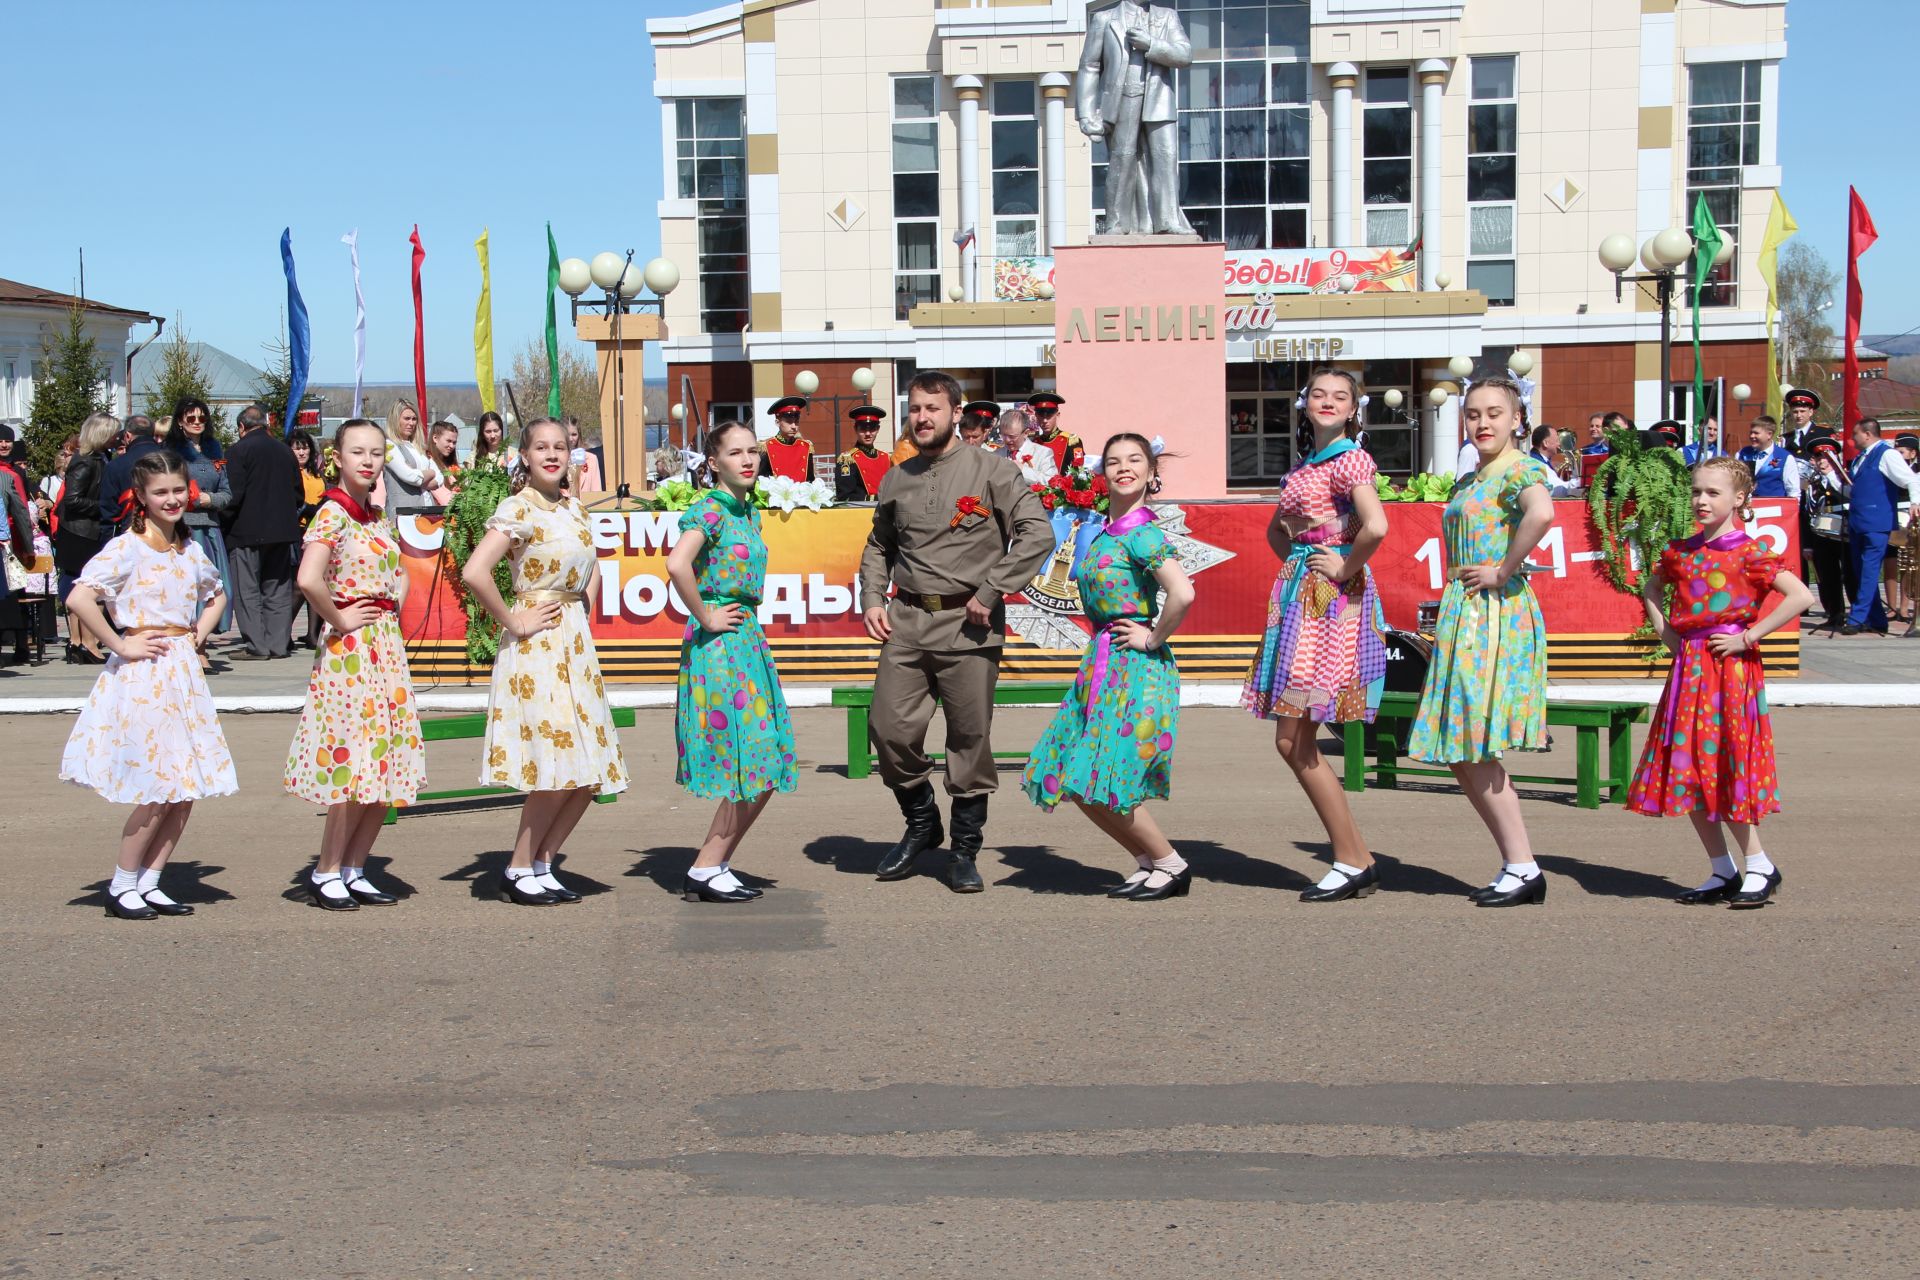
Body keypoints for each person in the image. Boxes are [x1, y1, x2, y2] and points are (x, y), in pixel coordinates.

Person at [860, 371, 1053, 893]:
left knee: (969, 740)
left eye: (933, 409)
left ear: (956, 412)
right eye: (915, 408)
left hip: (970, 628)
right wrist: (873, 595)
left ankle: (964, 851)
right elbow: (879, 545)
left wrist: (992, 589)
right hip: (907, 624)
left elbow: (1037, 533)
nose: (922, 418)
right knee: (888, 730)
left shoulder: (994, 471)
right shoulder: (896, 477)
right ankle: (922, 823)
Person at [60, 450, 237, 920]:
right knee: (156, 787)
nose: (172, 499)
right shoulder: (127, 547)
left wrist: (195, 634)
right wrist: (120, 643)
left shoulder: (190, 548)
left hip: (182, 674)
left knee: (184, 789)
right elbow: (79, 596)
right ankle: (122, 884)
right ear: (140, 496)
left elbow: (217, 595)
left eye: (179, 489)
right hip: (144, 677)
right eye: (161, 492)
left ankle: (152, 881)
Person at [1628, 457, 1811, 910]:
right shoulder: (1679, 551)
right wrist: (1669, 635)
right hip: (1690, 669)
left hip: (1730, 672)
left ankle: (1759, 864)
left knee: (1727, 766)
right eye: (1697, 491)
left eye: (1713, 492)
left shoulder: (1749, 552)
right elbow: (1651, 590)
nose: (1701, 500)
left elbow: (1801, 596)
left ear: (1740, 499)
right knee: (1687, 767)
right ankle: (1722, 868)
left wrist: (1748, 637)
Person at [460, 418, 628, 905]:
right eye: (541, 448)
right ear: (526, 457)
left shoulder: (575, 508)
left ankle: (542, 862)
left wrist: (583, 609)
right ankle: (517, 868)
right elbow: (475, 571)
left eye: (559, 447)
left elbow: (591, 566)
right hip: (537, 649)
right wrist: (515, 621)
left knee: (589, 767)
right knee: (554, 764)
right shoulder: (518, 508)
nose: (552, 455)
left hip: (574, 644)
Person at [1022, 433, 1195, 900]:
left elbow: (1183, 593)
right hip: (1101, 661)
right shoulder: (1103, 530)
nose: (1124, 468)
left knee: (1105, 772)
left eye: (1135, 460)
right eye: (1114, 461)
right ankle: (1147, 860)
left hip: (1132, 666)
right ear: (1102, 474)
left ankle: (1170, 864)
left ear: (1151, 473)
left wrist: (1152, 635)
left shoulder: (1143, 532)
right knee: (1072, 773)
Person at [1406, 378, 1556, 907]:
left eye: (1495, 413)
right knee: (1460, 747)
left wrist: (1503, 570)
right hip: (1463, 611)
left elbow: (1542, 513)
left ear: (1518, 419)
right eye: (1473, 414)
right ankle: (1519, 865)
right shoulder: (1472, 477)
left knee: (1473, 741)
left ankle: (1523, 867)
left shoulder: (1520, 469)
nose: (1483, 422)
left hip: (1493, 614)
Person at [1243, 367, 1391, 902]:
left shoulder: (1350, 458)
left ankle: (1352, 858)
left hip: (1325, 606)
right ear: (1306, 404)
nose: (1328, 402)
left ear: (1354, 408)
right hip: (1304, 598)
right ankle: (1357, 859)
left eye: (1340, 396)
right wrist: (1300, 561)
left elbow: (1376, 525)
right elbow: (1276, 531)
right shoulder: (1311, 463)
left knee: (1293, 739)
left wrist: (1344, 567)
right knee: (1293, 739)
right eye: (1319, 395)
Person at [283, 419, 426, 910]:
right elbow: (308, 578)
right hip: (350, 654)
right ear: (337, 459)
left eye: (376, 453)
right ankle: (326, 871)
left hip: (383, 648)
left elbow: (400, 574)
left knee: (383, 761)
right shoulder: (333, 514)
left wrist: (391, 604)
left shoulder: (374, 518)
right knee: (352, 762)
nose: (368, 461)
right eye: (358, 452)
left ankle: (355, 866)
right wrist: (341, 616)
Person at [665, 421, 798, 902]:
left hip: (747, 642)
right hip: (720, 648)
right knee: (751, 756)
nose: (748, 460)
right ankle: (707, 866)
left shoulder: (747, 513)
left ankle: (714, 863)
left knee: (764, 756)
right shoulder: (711, 510)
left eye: (753, 452)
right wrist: (704, 614)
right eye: (736, 453)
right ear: (714, 462)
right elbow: (677, 564)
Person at [224, 403, 303, 660]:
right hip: (282, 532)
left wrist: (224, 523)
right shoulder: (284, 451)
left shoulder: (238, 450)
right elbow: (297, 494)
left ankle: (257, 646)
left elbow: (234, 495)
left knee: (247, 590)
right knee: (278, 589)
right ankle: (278, 644)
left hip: (246, 531)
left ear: (241, 427)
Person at [1841, 416, 1920, 635]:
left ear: (1867, 434)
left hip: (1877, 522)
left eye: (1855, 434)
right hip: (1859, 523)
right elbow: (1856, 489)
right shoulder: (1861, 458)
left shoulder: (1887, 454)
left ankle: (1857, 618)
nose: (1852, 439)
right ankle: (1876, 619)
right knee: (1859, 571)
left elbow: (1911, 479)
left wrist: (1915, 503)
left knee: (1868, 570)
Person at [165, 398, 235, 640]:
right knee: (187, 586)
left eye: (202, 418)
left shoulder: (215, 449)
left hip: (210, 528)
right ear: (180, 422)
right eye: (191, 418)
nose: (197, 422)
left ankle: (202, 638)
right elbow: (166, 487)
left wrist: (210, 500)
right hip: (183, 527)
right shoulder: (171, 451)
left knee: (215, 586)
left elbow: (227, 492)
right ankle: (193, 642)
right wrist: (189, 499)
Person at [54, 412, 118, 663]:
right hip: (80, 533)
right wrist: (104, 506)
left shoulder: (100, 457)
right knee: (86, 587)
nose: (117, 437)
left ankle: (80, 644)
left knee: (84, 586)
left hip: (86, 530)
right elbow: (72, 499)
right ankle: (84, 644)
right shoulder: (85, 460)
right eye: (112, 432)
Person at [1803, 434, 1852, 628]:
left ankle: (1857, 612)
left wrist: (1833, 476)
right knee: (1827, 575)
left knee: (1849, 574)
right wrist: (1808, 544)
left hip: (1843, 532)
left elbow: (1850, 495)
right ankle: (1834, 613)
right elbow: (1807, 513)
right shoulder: (1813, 484)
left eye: (1826, 457)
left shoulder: (1843, 479)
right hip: (1821, 533)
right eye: (1818, 458)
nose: (1822, 462)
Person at [287, 429, 327, 648]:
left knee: (317, 582)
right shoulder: (289, 471)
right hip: (299, 530)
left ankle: (313, 634)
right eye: (297, 447)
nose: (301, 452)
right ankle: (284, 631)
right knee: (299, 584)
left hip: (318, 530)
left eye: (305, 447)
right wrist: (305, 509)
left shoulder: (316, 472)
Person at [98, 415, 161, 533]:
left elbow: (109, 513)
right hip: (166, 532)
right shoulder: (172, 459)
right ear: (153, 434)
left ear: (127, 436)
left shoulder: (115, 466)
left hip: (131, 533)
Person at [382, 397, 442, 516]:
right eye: (407, 418)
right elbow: (410, 476)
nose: (411, 423)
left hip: (428, 512)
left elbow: (439, 478)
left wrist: (421, 478)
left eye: (414, 419)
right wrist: (430, 473)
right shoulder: (389, 446)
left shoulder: (419, 446)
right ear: (395, 419)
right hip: (404, 515)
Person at [833, 405, 893, 502]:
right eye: (863, 428)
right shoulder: (848, 460)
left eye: (872, 428)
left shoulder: (886, 457)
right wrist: (875, 499)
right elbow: (844, 497)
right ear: (856, 429)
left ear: (878, 429)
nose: (868, 433)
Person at [1738, 415, 1801, 501]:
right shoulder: (1743, 454)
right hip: (1746, 507)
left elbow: (1793, 491)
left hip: (1773, 509)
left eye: (1756, 433)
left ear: (1769, 434)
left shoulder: (1785, 457)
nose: (1752, 436)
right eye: (1751, 432)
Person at [997, 409, 1059, 484]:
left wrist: (1023, 470)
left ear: (1026, 433)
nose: (1007, 440)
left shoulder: (1043, 453)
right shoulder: (996, 455)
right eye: (1003, 435)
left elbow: (1053, 482)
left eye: (1012, 436)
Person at [1027, 392, 1084, 473]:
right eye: (1041, 416)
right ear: (1036, 416)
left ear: (1057, 415)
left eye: (1049, 416)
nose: (1045, 421)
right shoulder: (1034, 443)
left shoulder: (1071, 441)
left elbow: (1079, 471)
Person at [761, 397, 815, 482]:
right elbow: (762, 478)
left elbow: (810, 479)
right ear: (777, 422)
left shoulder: (806, 447)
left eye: (796, 422)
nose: (793, 426)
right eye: (789, 422)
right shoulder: (767, 446)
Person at [1528, 424, 1578, 496]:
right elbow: (1561, 490)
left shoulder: (1537, 460)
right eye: (1557, 440)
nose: (1559, 444)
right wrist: (1581, 481)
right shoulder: (1538, 465)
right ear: (1545, 443)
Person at [424, 420, 462, 503]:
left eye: (454, 442)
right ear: (435, 438)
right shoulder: (429, 462)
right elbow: (446, 500)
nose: (451, 446)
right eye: (448, 441)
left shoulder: (450, 464)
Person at [565, 417, 605, 492]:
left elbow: (596, 490)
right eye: (567, 434)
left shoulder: (591, 458)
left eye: (574, 434)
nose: (570, 439)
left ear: (579, 435)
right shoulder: (556, 458)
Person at [1781, 387, 1821, 455]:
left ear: (1810, 412)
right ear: (1791, 412)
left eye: (1802, 411)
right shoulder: (1785, 438)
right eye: (1795, 412)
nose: (1799, 415)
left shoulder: (1822, 433)